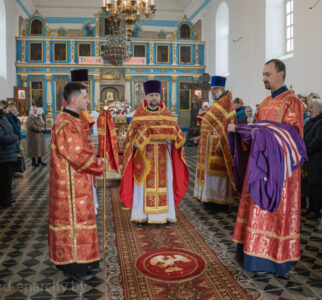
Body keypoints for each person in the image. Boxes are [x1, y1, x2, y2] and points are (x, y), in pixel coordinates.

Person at [229, 59, 305, 275]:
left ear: (281, 74)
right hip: (260, 167)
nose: (263, 78)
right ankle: (251, 254)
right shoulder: (264, 103)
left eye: (268, 74)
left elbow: (290, 138)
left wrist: (255, 132)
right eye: (263, 74)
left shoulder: (292, 103)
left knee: (274, 214)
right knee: (255, 208)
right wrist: (242, 133)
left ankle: (274, 258)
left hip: (280, 174)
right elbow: (259, 133)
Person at [48, 82, 104, 281]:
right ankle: (75, 266)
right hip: (70, 186)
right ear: (74, 99)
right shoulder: (65, 123)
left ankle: (86, 261)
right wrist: (100, 165)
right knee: (75, 222)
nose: (88, 100)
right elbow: (76, 153)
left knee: (84, 220)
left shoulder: (73, 119)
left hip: (79, 181)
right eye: (85, 97)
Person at [119, 80, 189, 225]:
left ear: (160, 97)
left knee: (166, 184)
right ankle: (141, 216)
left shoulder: (167, 116)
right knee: (142, 185)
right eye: (151, 95)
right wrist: (140, 139)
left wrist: (171, 137)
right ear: (145, 97)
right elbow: (130, 138)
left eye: (156, 95)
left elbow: (178, 137)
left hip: (163, 154)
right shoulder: (138, 116)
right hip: (143, 157)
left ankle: (165, 215)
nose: (154, 98)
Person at [193, 76, 236, 210]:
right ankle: (208, 198)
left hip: (218, 145)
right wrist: (201, 137)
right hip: (207, 144)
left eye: (215, 89)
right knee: (208, 174)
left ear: (221, 89)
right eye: (211, 89)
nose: (212, 92)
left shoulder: (226, 104)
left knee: (218, 175)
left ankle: (219, 201)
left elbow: (230, 125)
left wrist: (223, 141)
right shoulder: (217, 103)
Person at [304, 98, 322, 219]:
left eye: (311, 107)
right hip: (309, 159)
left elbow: (318, 141)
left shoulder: (320, 122)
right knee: (309, 186)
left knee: (317, 188)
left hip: (317, 159)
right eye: (308, 107)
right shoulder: (310, 121)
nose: (309, 110)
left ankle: (316, 211)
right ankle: (310, 208)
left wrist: (304, 150)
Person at [0, 100, 18, 208]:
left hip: (9, 154)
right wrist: (14, 138)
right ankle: (5, 200)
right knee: (4, 179)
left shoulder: (4, 118)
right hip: (3, 155)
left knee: (8, 179)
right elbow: (1, 138)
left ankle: (7, 197)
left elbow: (11, 131)